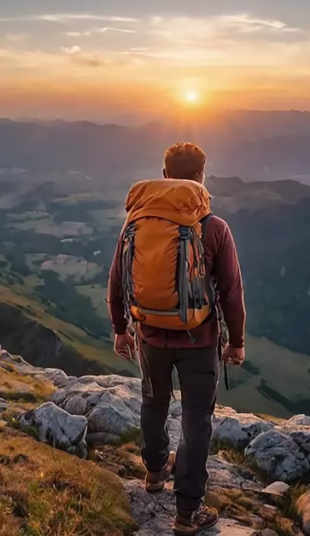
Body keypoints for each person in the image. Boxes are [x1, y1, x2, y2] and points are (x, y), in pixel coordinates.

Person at [108, 142, 246, 535]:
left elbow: (118, 279)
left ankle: (154, 473)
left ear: (165, 175)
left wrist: (121, 329)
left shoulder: (137, 221)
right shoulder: (214, 227)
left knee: (153, 402)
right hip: (198, 339)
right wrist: (235, 342)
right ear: (202, 176)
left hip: (149, 333)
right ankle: (187, 512)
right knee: (196, 418)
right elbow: (232, 292)